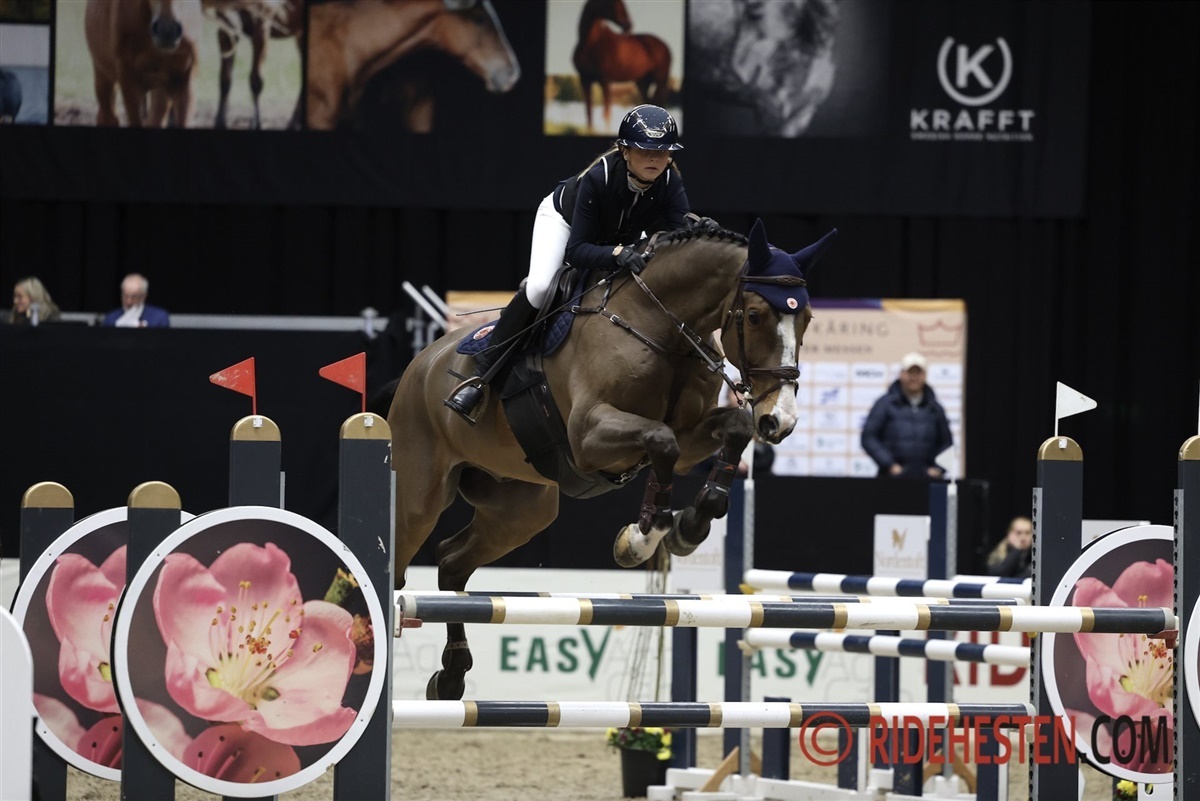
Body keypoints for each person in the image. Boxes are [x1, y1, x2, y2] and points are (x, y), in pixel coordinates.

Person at [444, 104, 714, 424]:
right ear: (625, 151)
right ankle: (481, 374)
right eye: (644, 150)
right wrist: (617, 254)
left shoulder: (669, 180)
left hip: (620, 237)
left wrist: (700, 231)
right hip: (565, 223)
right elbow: (577, 252)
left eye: (663, 151)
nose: (654, 158)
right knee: (541, 288)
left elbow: (678, 232)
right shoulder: (599, 177)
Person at [861, 352, 953, 479]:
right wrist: (890, 465)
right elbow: (869, 437)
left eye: (918, 373)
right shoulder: (885, 404)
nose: (913, 377)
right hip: (891, 480)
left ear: (925, 375)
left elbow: (947, 443)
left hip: (926, 480)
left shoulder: (935, 408)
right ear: (901, 374)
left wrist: (938, 469)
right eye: (910, 373)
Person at [102, 273, 170, 328]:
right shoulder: (111, 319)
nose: (129, 301)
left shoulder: (159, 318)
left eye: (134, 297)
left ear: (144, 296)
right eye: (125, 296)